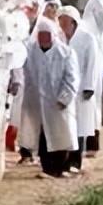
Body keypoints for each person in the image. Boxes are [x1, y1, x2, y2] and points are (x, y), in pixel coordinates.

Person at [19, 17, 79, 179]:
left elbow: (72, 79)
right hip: (38, 103)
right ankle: (47, 169)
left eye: (47, 35)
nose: (43, 38)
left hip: (58, 104)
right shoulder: (31, 52)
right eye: (41, 35)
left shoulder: (65, 53)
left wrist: (64, 98)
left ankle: (61, 168)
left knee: (61, 135)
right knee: (43, 137)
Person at [58, 6, 98, 173]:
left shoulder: (87, 38)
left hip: (82, 89)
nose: (62, 25)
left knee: (80, 126)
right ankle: (63, 163)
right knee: (64, 126)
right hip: (64, 88)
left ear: (73, 22)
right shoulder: (58, 39)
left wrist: (89, 85)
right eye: (60, 21)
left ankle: (75, 162)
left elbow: (92, 63)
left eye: (65, 22)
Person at [79, 0, 103, 157]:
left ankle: (93, 146)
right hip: (84, 75)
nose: (101, 15)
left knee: (94, 109)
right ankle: (81, 147)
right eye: (98, 11)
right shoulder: (84, 28)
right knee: (84, 109)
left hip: (97, 76)